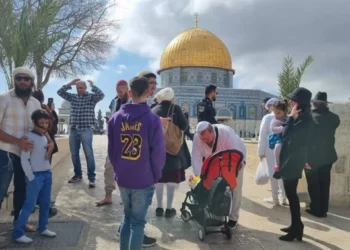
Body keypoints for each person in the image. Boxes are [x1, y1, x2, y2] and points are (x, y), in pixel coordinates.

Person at [108, 76, 166, 250]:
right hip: (143, 178)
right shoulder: (153, 120)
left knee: (127, 219)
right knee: (138, 223)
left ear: (130, 93)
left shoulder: (116, 118)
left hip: (124, 178)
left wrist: (119, 170)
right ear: (148, 93)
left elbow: (112, 151)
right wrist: (155, 175)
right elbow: (158, 154)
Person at [0, 67, 54, 233]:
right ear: (15, 81)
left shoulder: (35, 103)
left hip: (27, 155)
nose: (22, 81)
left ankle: (19, 223)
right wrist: (17, 141)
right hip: (6, 151)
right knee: (1, 189)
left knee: (22, 190)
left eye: (26, 79)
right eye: (19, 78)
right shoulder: (4, 98)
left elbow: (38, 127)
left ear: (31, 82)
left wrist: (50, 142)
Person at [273, 87, 314, 242]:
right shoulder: (302, 117)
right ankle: (296, 225)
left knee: (292, 196)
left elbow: (287, 135)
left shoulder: (304, 120)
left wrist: (289, 118)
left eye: (293, 100)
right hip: (291, 160)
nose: (290, 102)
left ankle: (297, 228)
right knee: (291, 196)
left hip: (293, 162)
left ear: (300, 103)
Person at [12, 109, 56, 243]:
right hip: (35, 176)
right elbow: (24, 159)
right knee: (29, 205)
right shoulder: (29, 137)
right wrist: (30, 176)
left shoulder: (44, 137)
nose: (45, 123)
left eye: (46, 121)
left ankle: (43, 228)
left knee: (45, 203)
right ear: (35, 122)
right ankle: (18, 234)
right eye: (41, 121)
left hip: (47, 174)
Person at [192, 121, 246, 229]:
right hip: (213, 162)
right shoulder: (198, 138)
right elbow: (196, 158)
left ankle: (233, 218)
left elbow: (236, 154)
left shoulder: (226, 134)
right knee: (210, 185)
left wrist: (231, 175)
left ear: (212, 132)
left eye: (207, 139)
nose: (205, 142)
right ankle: (212, 211)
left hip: (234, 161)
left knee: (234, 188)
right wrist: (200, 177)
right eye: (202, 139)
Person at [57, 79, 104, 188]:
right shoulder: (72, 97)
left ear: (85, 88)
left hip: (86, 129)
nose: (79, 90)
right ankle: (78, 175)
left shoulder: (91, 97)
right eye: (77, 88)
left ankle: (91, 178)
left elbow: (101, 95)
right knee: (74, 154)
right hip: (74, 129)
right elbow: (60, 92)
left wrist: (93, 86)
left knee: (88, 154)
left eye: (81, 88)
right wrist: (69, 84)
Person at [151, 88, 191, 217]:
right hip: (173, 150)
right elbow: (185, 126)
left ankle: (158, 207)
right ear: (172, 98)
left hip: (157, 150)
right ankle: (169, 209)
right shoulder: (175, 108)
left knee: (159, 179)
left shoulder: (153, 110)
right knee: (171, 180)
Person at [96, 80, 131, 206]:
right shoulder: (115, 102)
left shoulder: (132, 102)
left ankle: (126, 197)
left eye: (121, 91)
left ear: (127, 90)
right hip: (114, 140)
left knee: (126, 169)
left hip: (127, 141)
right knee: (108, 167)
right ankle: (108, 196)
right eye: (117, 91)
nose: (119, 94)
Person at [306, 92, 340, 218]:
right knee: (325, 183)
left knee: (313, 184)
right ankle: (324, 210)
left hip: (312, 157)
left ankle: (316, 209)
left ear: (315, 103)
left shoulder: (309, 117)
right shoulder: (335, 118)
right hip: (328, 156)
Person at [258, 98, 286, 206]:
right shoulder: (285, 117)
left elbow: (262, 135)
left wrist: (260, 152)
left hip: (270, 149)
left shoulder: (267, 118)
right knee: (282, 174)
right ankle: (283, 197)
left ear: (270, 106)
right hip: (283, 149)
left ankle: (275, 200)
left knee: (273, 174)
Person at [269, 99, 289, 172]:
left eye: (279, 113)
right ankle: (277, 163)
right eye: (275, 113)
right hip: (279, 138)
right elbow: (273, 129)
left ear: (285, 111)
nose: (276, 115)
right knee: (278, 146)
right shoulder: (274, 120)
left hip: (288, 137)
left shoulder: (288, 118)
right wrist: (282, 129)